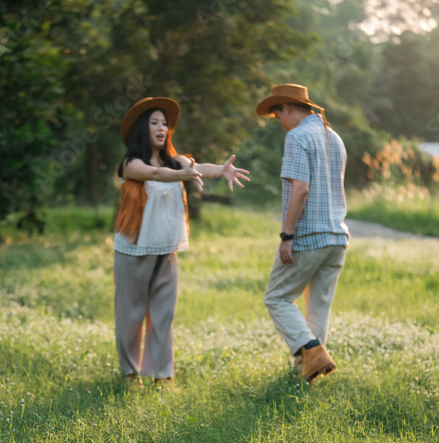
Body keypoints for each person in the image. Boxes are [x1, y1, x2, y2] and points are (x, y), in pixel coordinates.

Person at [114, 96, 249, 388]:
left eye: (164, 123)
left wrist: (221, 170)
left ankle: (161, 373)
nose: (161, 128)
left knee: (164, 312)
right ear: (142, 128)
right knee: (130, 312)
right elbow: (154, 174)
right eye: (154, 123)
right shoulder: (130, 164)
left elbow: (198, 167)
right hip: (134, 249)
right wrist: (182, 174)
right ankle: (129, 372)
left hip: (166, 248)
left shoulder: (174, 161)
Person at [256, 84, 348, 383]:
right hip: (337, 238)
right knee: (318, 306)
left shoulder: (297, 136)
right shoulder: (334, 138)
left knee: (277, 298)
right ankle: (306, 371)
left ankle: (312, 350)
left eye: (277, 114)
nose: (278, 122)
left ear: (289, 108)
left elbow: (301, 187)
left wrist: (287, 235)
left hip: (310, 236)